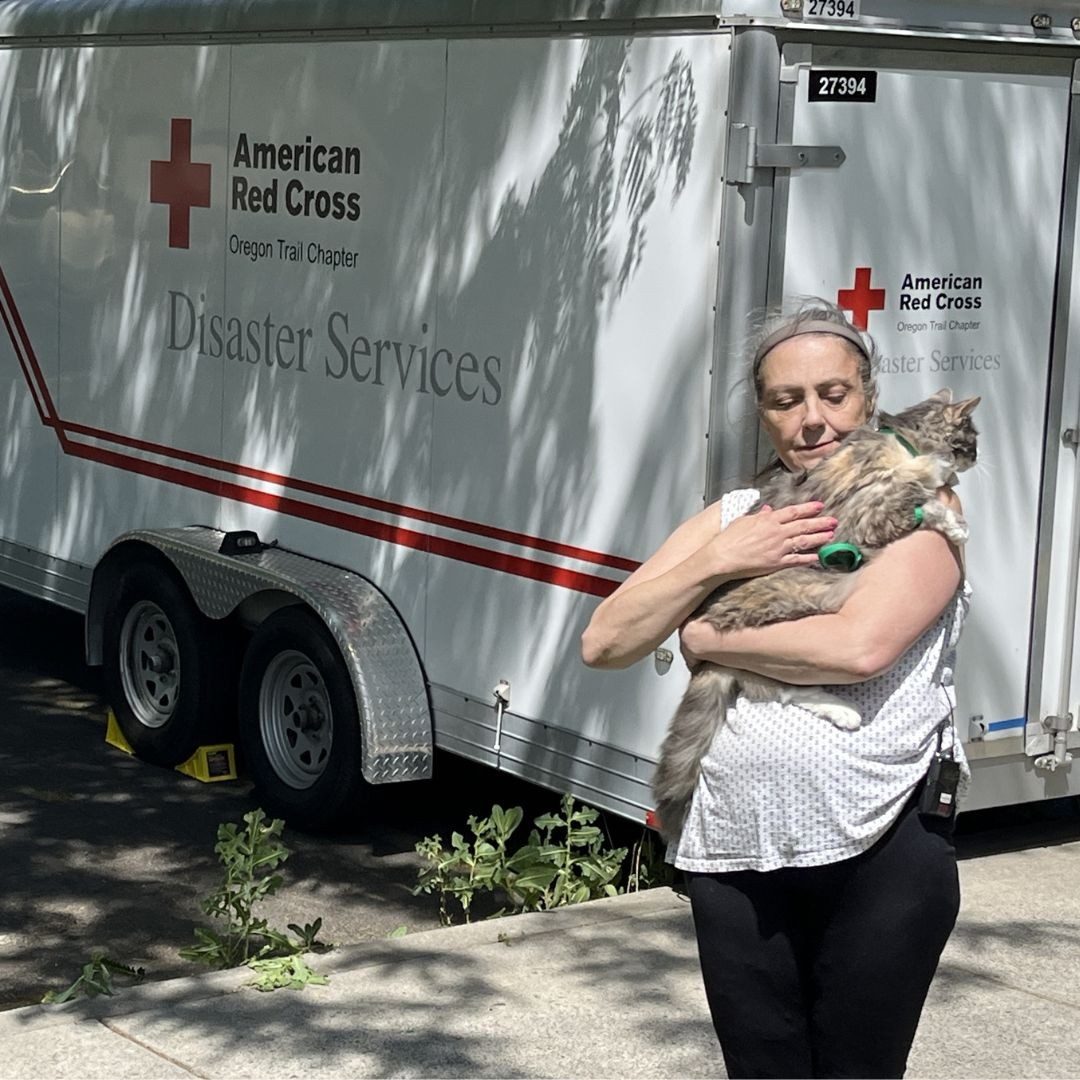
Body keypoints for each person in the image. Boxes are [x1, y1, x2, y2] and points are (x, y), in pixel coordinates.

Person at [581, 300, 969, 1080]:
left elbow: (858, 648)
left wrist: (704, 635)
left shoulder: (920, 504)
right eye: (785, 401)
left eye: (834, 394)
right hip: (736, 851)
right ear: (762, 414)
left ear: (868, 395)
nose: (813, 420)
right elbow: (606, 641)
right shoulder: (736, 515)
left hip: (881, 851)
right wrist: (717, 559)